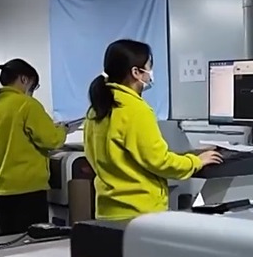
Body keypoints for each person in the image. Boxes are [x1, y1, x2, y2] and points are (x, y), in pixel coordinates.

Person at [85, 39, 222, 220]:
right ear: (136, 72)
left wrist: (190, 154)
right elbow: (159, 161)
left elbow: (124, 156)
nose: (151, 73)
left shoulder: (97, 108)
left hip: (108, 211)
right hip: (139, 212)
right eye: (149, 67)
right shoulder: (135, 109)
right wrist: (196, 162)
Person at [0, 59, 77, 234]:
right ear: (24, 79)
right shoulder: (27, 105)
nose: (31, 91)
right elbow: (51, 140)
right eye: (33, 85)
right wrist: (63, 130)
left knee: (9, 241)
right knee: (32, 242)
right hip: (28, 188)